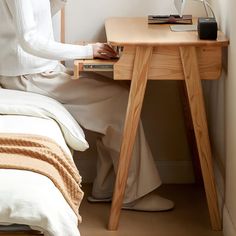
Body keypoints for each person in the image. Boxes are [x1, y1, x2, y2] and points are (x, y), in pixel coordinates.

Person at [0, 0, 174, 211]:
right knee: (120, 100)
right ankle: (131, 194)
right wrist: (87, 50)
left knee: (114, 98)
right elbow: (29, 40)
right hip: (28, 77)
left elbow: (39, 17)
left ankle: (107, 187)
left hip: (39, 72)